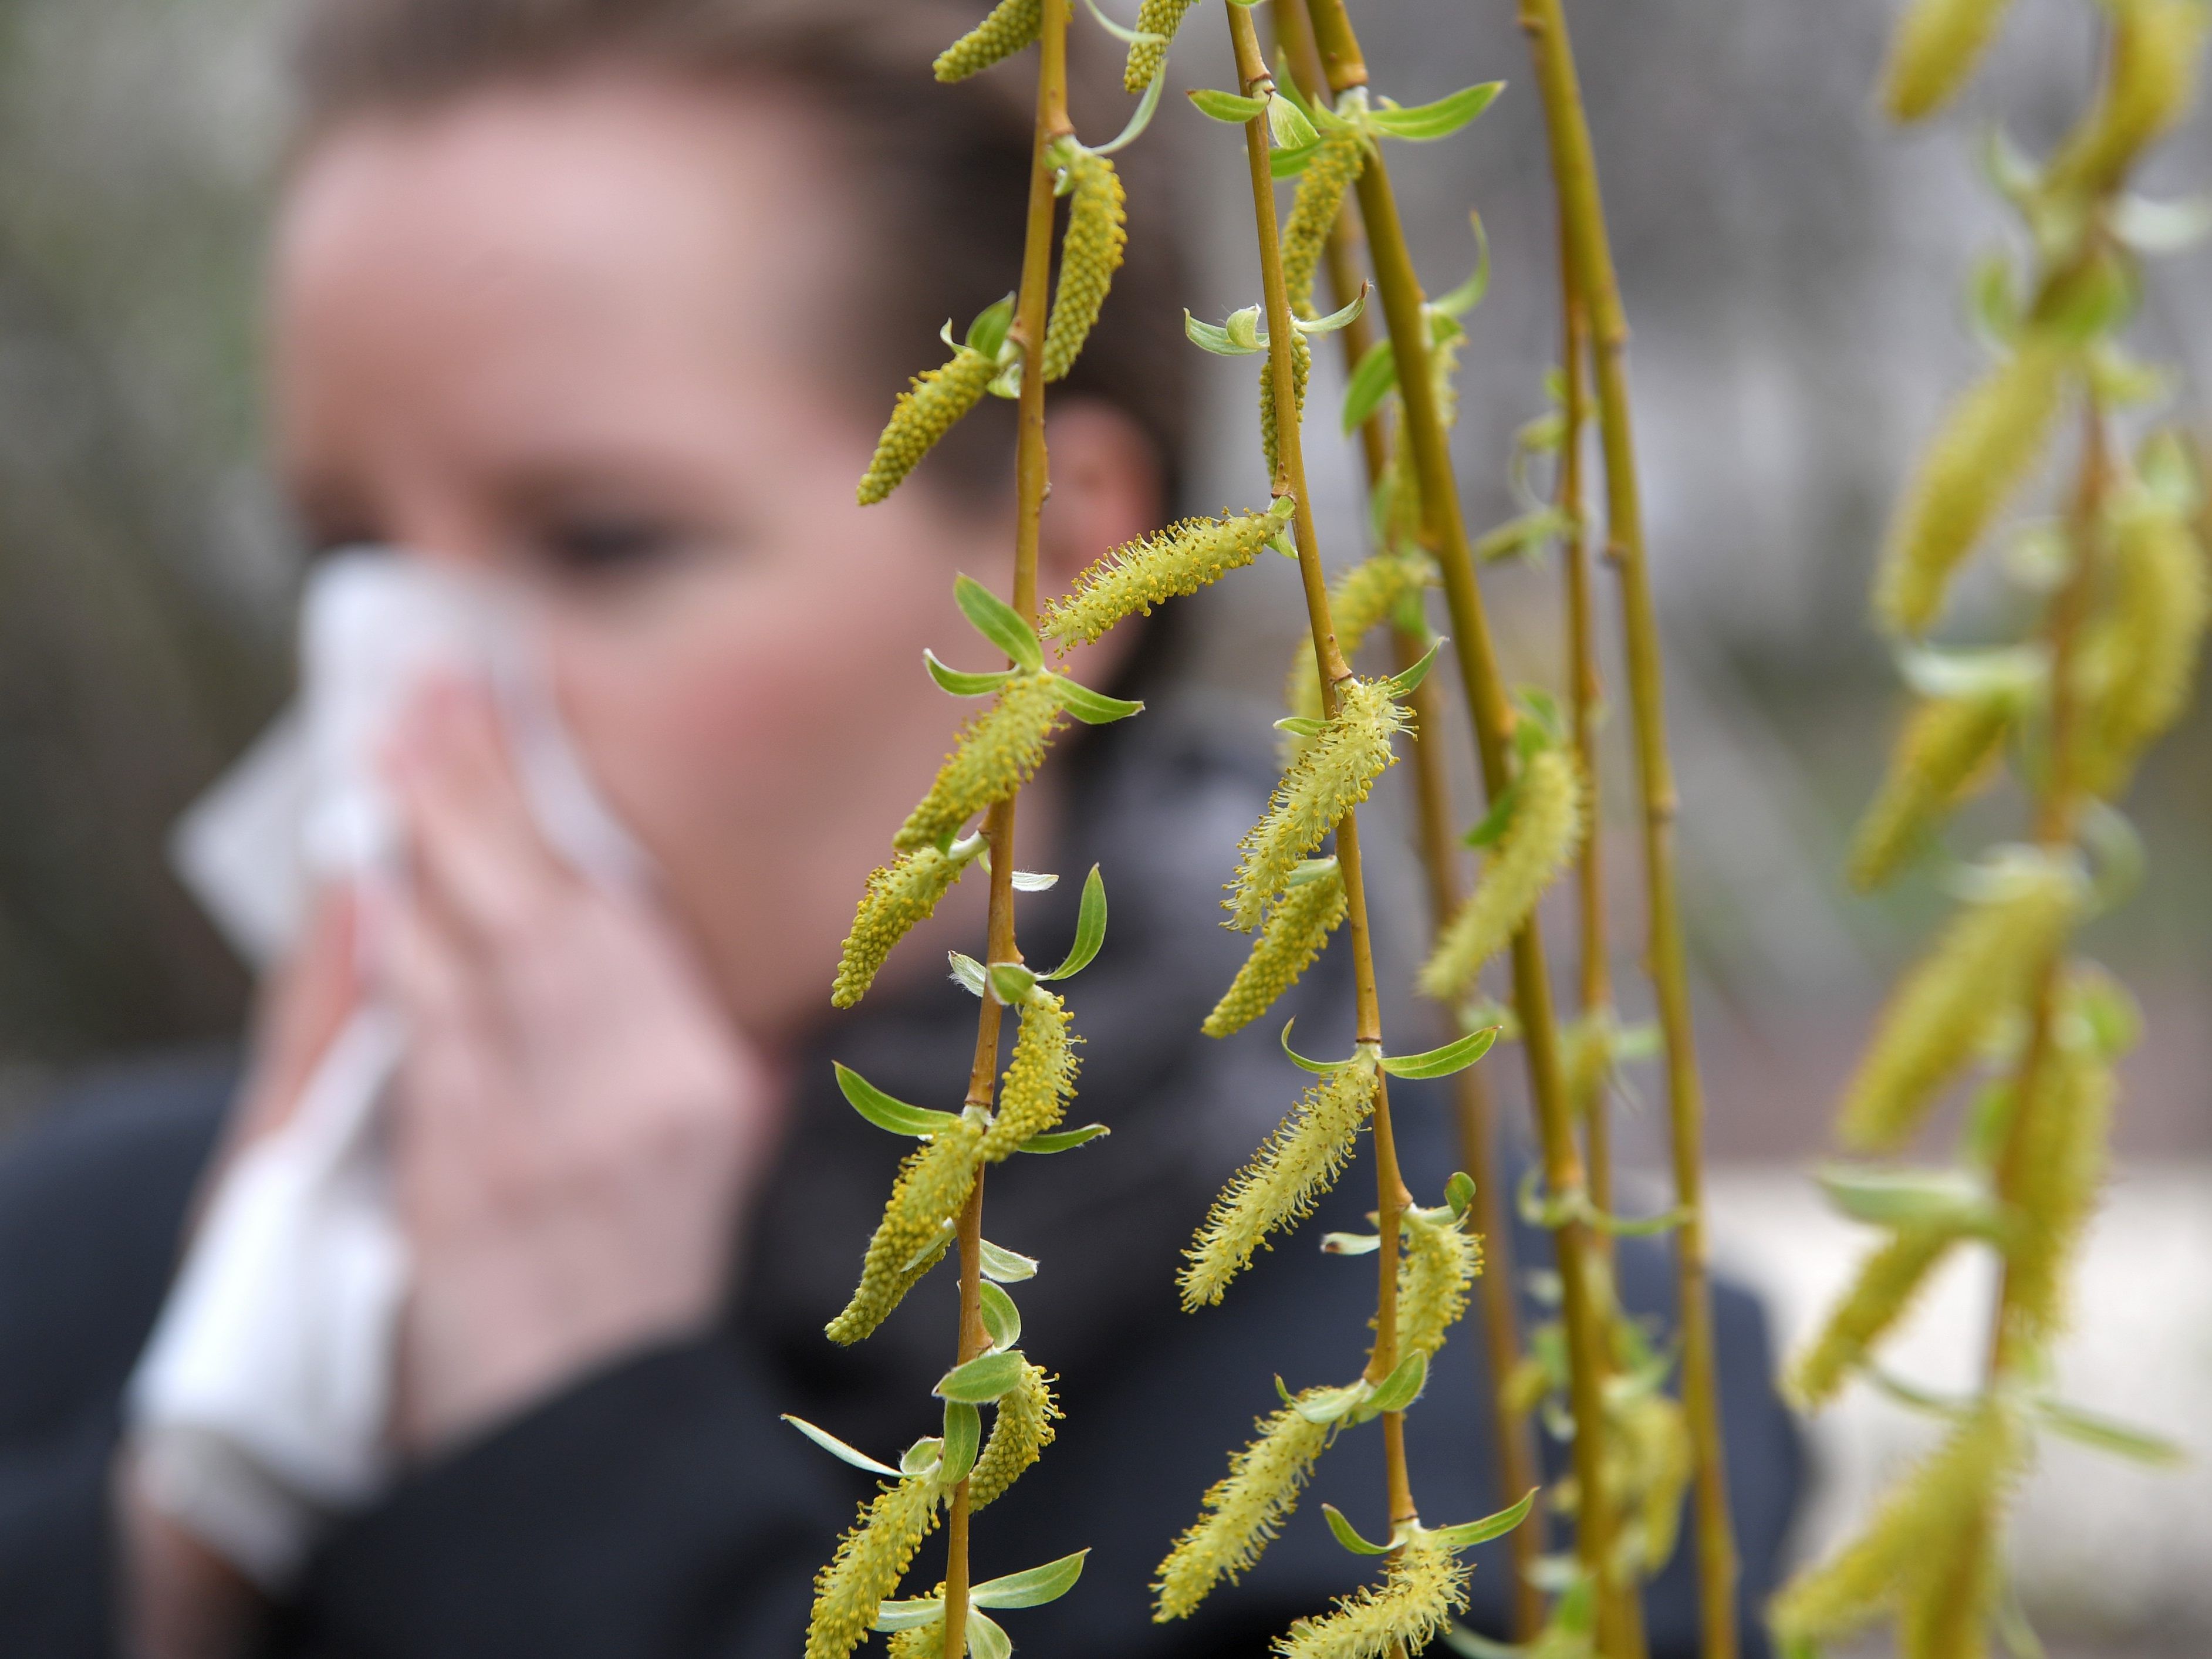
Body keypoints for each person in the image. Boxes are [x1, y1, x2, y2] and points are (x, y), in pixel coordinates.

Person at [0, 0, 1804, 1654]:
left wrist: (570, 1430)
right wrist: (182, 1519)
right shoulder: (97, 1261)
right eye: (350, 563)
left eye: (602, 541)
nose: (407, 705)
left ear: (1062, 543)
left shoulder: (1509, 1399)